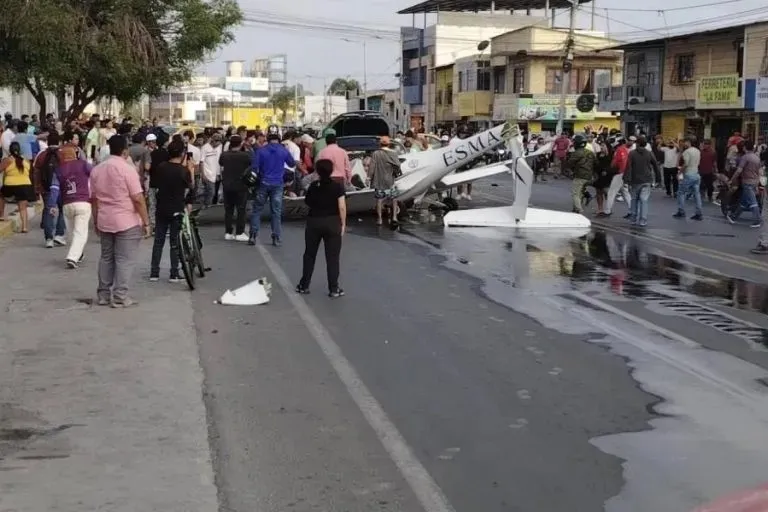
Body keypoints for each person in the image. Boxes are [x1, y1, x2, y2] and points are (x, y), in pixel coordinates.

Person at [90, 135, 151, 307]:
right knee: (124, 259)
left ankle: (103, 294)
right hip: (126, 220)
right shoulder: (127, 169)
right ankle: (120, 296)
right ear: (125, 151)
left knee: (106, 258)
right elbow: (138, 198)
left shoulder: (97, 170)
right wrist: (146, 222)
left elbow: (94, 199)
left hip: (105, 218)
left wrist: (95, 220)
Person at [296, 159, 346, 298]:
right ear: (331, 170)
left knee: (309, 254)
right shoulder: (338, 187)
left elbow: (307, 202)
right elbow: (342, 206)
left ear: (317, 171)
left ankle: (304, 285)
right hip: (333, 222)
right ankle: (334, 288)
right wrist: (343, 223)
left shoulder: (313, 186)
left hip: (314, 222)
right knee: (332, 257)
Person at [149, 139, 193, 282]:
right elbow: (190, 188)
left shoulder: (161, 167)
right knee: (175, 241)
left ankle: (154, 272)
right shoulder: (183, 170)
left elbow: (156, 184)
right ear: (182, 153)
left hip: (162, 207)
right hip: (177, 207)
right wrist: (191, 171)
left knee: (159, 241)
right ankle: (174, 273)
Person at [47, 139, 93, 268]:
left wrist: (51, 205)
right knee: (80, 232)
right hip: (83, 202)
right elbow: (94, 174)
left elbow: (54, 189)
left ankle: (79, 254)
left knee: (73, 232)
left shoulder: (59, 170)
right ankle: (72, 257)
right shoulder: (83, 164)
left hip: (67, 204)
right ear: (75, 154)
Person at [249, 126, 295, 246]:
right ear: (279, 136)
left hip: (263, 183)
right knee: (276, 212)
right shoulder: (283, 150)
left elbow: (254, 168)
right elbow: (291, 163)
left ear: (267, 136)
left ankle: (253, 235)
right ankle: (276, 237)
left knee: (257, 210)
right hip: (278, 184)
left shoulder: (261, 151)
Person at [218, 135, 251, 241]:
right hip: (241, 186)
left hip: (227, 186)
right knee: (241, 210)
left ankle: (228, 232)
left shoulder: (224, 155)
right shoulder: (245, 155)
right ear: (241, 143)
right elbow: (252, 162)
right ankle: (239, 232)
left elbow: (221, 163)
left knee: (228, 210)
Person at [0, 141, 35, 232]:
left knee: (1, 196)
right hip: (25, 185)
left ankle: (1, 215)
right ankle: (24, 227)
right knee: (23, 207)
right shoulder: (26, 160)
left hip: (10, 185)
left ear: (10, 150)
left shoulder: (8, 160)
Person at [624, 135, 658, 227]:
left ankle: (633, 218)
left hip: (635, 180)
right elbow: (655, 165)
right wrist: (658, 179)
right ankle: (643, 220)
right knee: (644, 200)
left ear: (637, 143)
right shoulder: (649, 153)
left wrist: (627, 180)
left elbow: (628, 167)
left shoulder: (632, 153)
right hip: (647, 179)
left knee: (634, 199)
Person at [726, 140, 762, 228]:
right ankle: (733, 217)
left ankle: (757, 221)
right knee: (744, 202)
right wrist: (757, 183)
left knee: (753, 203)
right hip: (754, 182)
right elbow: (759, 172)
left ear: (745, 147)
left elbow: (739, 170)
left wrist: (731, 180)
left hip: (747, 183)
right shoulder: (756, 158)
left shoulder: (745, 157)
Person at [368, 135, 402, 225]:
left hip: (378, 181)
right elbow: (398, 166)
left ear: (380, 144)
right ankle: (394, 217)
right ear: (389, 144)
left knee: (379, 200)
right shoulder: (393, 153)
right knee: (394, 199)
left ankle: (379, 219)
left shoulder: (376, 154)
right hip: (390, 181)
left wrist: (368, 177)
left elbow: (372, 167)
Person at [674, 136, 703, 221]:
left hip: (688, 174)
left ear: (689, 142)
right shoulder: (698, 151)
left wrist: (679, 173)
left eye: (685, 142)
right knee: (697, 194)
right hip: (696, 174)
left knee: (681, 192)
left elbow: (685, 164)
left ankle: (681, 211)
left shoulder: (687, 152)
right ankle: (699, 213)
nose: (683, 143)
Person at [566, 134, 595, 214]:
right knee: (581, 193)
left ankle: (579, 209)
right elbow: (596, 163)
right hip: (589, 175)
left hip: (580, 175)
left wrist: (569, 170)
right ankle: (575, 208)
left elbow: (569, 163)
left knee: (575, 193)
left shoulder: (577, 153)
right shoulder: (590, 153)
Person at [200, 133, 223, 206]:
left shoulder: (219, 147)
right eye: (218, 143)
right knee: (211, 192)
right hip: (208, 174)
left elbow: (217, 161)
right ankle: (206, 206)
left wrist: (218, 174)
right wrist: (203, 174)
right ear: (214, 141)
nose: (218, 145)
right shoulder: (205, 148)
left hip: (216, 174)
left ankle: (209, 205)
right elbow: (201, 162)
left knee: (213, 192)